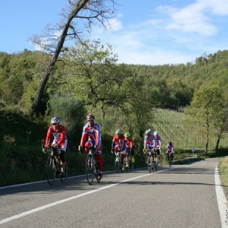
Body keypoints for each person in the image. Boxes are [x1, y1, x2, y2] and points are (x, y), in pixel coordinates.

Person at [78, 114, 103, 179]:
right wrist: (81, 145)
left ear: (93, 121)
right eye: (88, 121)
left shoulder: (96, 126)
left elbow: (97, 136)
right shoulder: (85, 127)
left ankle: (100, 172)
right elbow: (83, 137)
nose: (90, 122)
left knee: (98, 156)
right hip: (91, 140)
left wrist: (97, 144)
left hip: (98, 141)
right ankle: (89, 157)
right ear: (87, 121)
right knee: (86, 145)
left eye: (91, 121)